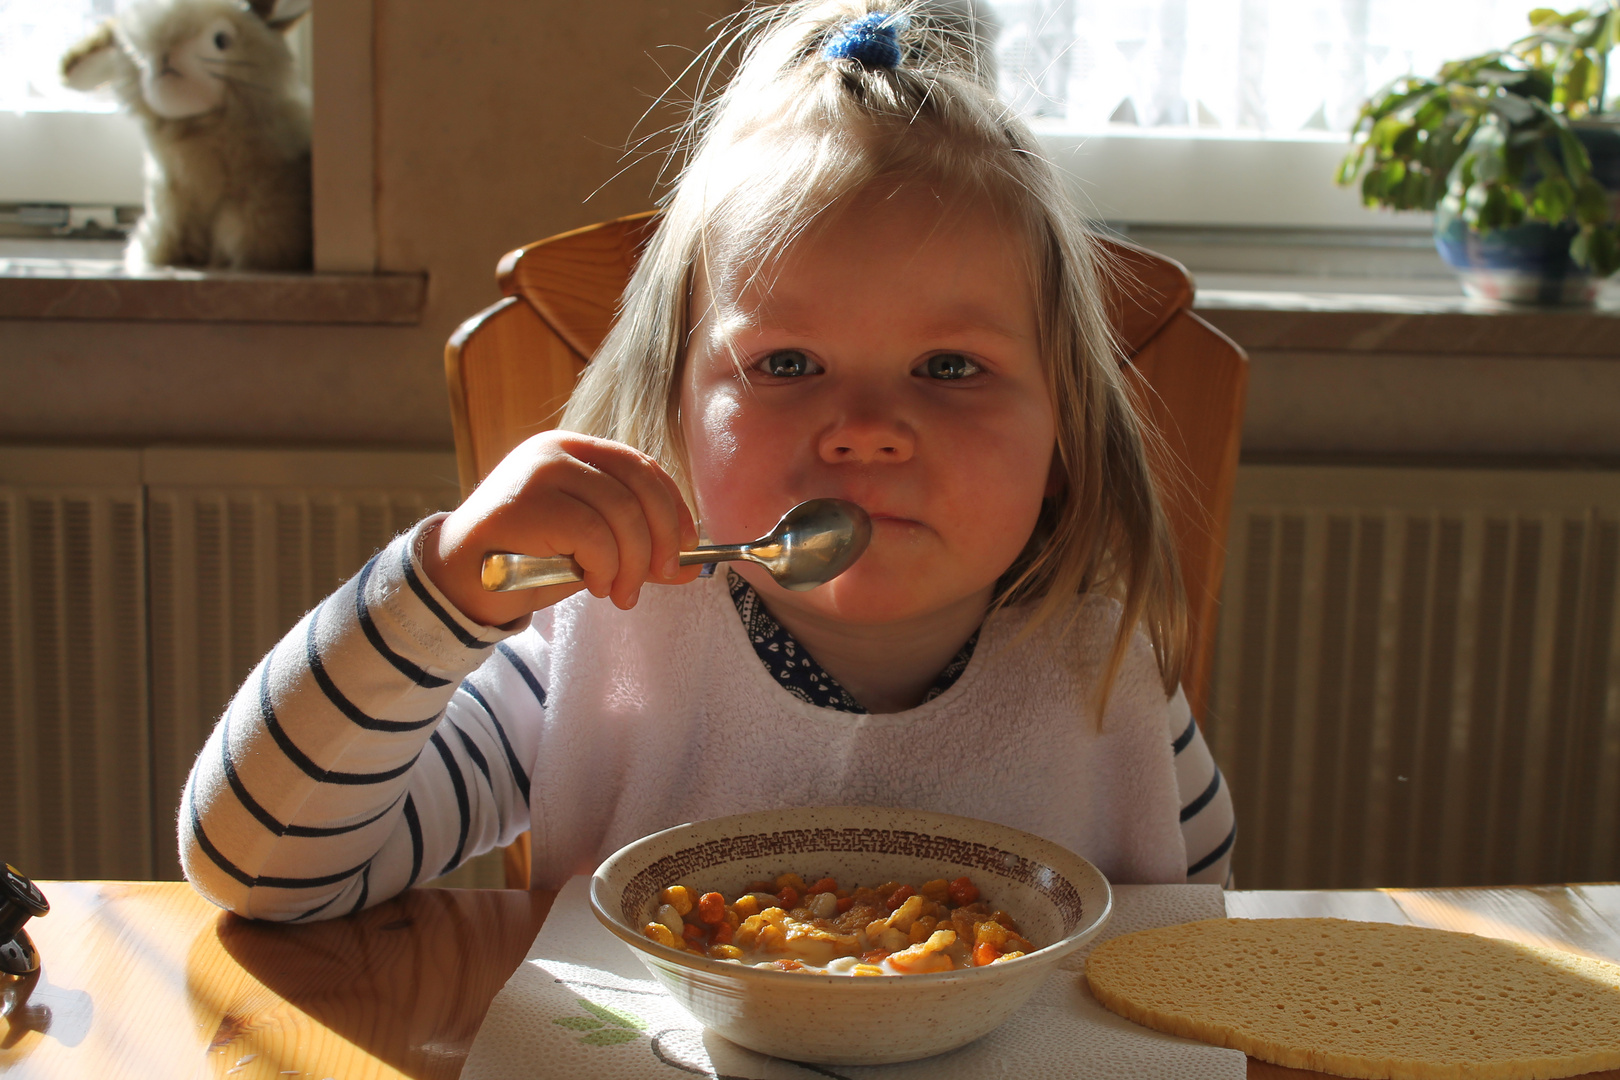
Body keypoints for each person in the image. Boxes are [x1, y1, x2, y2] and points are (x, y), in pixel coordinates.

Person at [180, 0, 1235, 922]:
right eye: (786, 361)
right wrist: (441, 586)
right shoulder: (605, 659)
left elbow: (1187, 926)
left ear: (1064, 442)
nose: (865, 428)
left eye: (949, 366)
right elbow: (258, 866)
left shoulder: (1105, 676)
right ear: (674, 419)